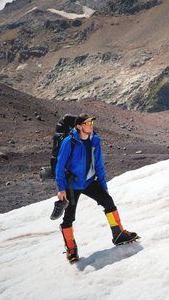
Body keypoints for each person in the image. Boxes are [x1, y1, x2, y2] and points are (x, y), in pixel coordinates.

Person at [55, 113, 139, 263]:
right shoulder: (69, 142)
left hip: (88, 182)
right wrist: (61, 189)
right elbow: (60, 167)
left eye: (91, 122)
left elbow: (99, 165)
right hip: (72, 184)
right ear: (79, 127)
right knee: (69, 217)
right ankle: (71, 250)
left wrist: (103, 185)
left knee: (109, 202)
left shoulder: (94, 140)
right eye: (87, 123)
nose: (91, 125)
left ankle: (118, 235)